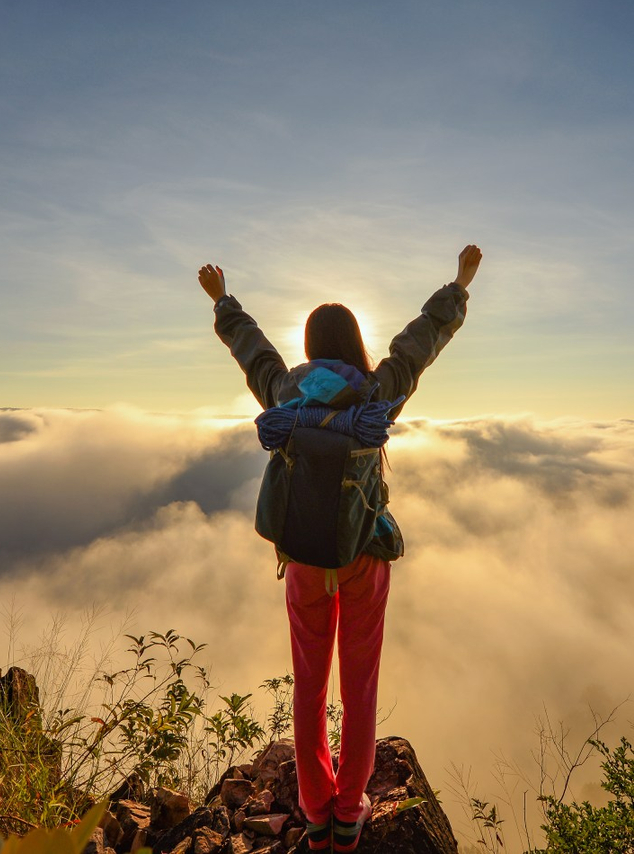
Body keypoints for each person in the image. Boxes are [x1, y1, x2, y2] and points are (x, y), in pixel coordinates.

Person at [198, 245, 482, 853]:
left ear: (308, 346)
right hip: (364, 556)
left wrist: (223, 302)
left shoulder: (286, 391)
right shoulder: (375, 393)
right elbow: (418, 346)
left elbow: (253, 352)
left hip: (303, 558)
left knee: (309, 687)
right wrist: (458, 286)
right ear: (354, 343)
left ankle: (315, 809)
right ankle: (349, 813)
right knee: (360, 687)